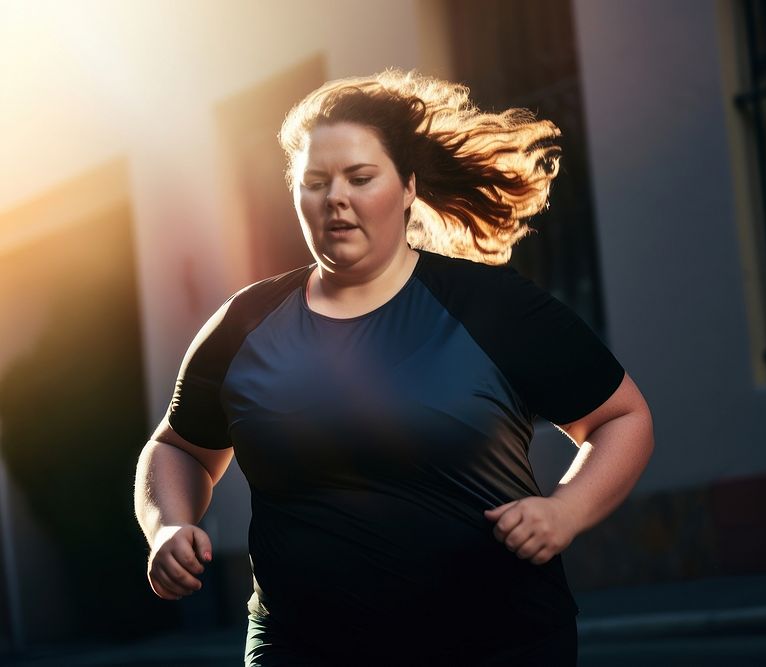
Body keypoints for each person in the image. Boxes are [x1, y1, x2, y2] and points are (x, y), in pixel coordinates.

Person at [134, 69, 654, 666]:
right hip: (301, 649)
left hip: (495, 643)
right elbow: (179, 449)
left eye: (360, 177)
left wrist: (567, 510)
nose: (336, 198)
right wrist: (168, 526)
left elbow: (622, 417)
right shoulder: (244, 324)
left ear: (407, 188)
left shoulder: (492, 308)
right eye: (315, 182)